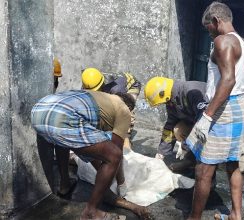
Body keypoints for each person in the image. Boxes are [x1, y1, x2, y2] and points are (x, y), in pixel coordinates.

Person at [31, 90, 150, 220]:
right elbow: (115, 153)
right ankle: (91, 212)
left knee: (63, 139)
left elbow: (85, 145)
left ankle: (65, 185)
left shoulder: (98, 98)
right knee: (113, 155)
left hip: (38, 112)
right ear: (129, 107)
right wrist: (121, 183)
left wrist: (102, 169)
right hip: (63, 118)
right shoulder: (124, 110)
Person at [185, 2, 244, 220]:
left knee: (204, 170)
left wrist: (206, 117)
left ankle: (194, 218)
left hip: (222, 109)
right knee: (233, 164)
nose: (209, 33)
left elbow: (228, 80)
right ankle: (236, 214)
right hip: (241, 106)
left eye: (209, 28)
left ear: (216, 21)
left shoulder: (222, 41)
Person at [81, 67, 141, 197]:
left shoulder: (115, 91)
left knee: (125, 114)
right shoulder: (88, 85)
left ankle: (127, 139)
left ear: (102, 85)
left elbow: (119, 110)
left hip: (131, 87)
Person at [144, 77, 207, 171]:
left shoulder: (191, 92)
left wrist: (189, 157)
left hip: (213, 122)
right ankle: (189, 158)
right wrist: (161, 154)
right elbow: (170, 127)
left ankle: (195, 161)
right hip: (197, 121)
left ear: (164, 94)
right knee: (178, 129)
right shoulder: (172, 100)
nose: (165, 104)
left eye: (164, 102)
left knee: (202, 166)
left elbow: (204, 121)